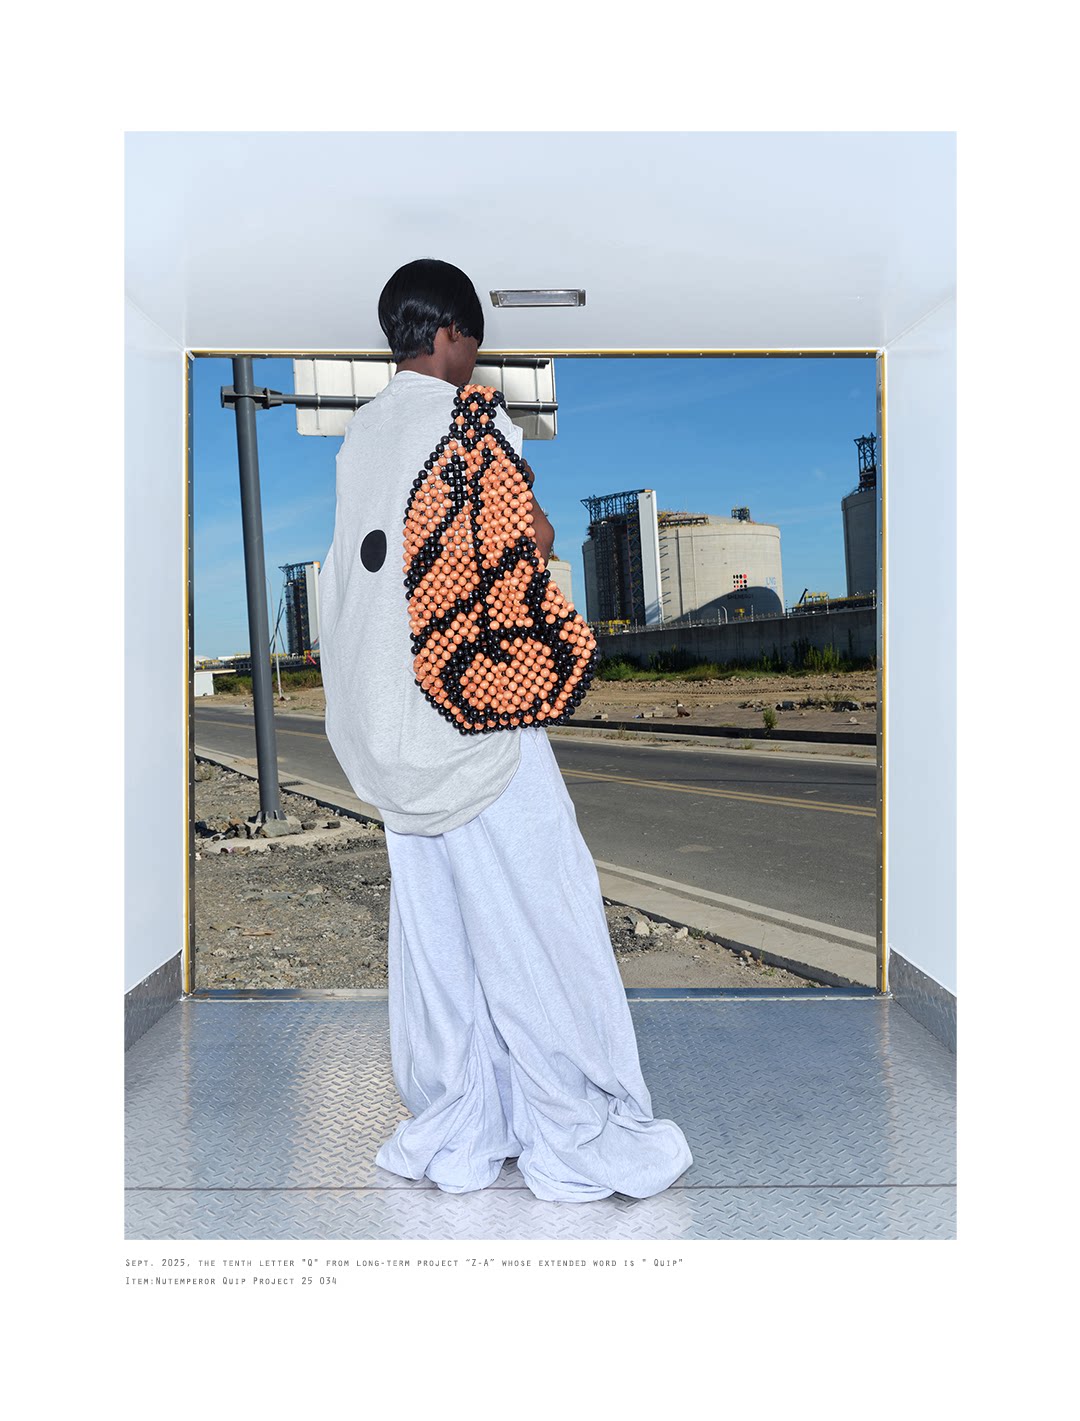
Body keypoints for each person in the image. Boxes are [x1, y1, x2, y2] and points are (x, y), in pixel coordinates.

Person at [318, 258, 693, 1202]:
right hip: (472, 725)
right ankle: (578, 1133)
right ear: (452, 335)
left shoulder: (357, 442)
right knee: (545, 925)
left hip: (383, 736)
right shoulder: (469, 422)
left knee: (439, 945)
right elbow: (528, 545)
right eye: (473, 342)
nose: (473, 359)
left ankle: (461, 1129)